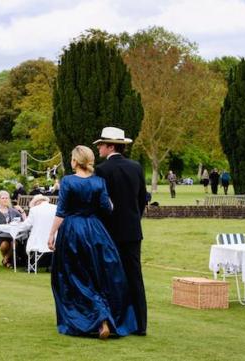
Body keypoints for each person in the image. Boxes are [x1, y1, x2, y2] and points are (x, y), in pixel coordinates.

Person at [48, 145, 137, 339]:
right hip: (96, 231)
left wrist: (51, 234)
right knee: (98, 275)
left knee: (73, 277)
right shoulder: (98, 182)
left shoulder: (68, 181)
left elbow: (61, 211)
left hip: (72, 231)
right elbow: (108, 208)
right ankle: (104, 316)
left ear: (74, 161)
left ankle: (95, 317)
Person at [93, 126, 148, 336]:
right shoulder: (136, 167)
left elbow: (101, 203)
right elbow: (142, 198)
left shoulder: (102, 170)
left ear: (111, 146)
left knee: (111, 277)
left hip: (109, 232)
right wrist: (133, 218)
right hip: (133, 230)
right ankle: (141, 325)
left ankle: (117, 322)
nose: (99, 149)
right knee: (135, 276)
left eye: (101, 145)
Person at [0, 190, 26, 268]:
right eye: (3, 198)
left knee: (14, 243)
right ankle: (7, 260)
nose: (5, 200)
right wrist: (4, 226)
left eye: (6, 198)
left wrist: (21, 210)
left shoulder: (12, 210)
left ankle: (5, 259)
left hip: (10, 235)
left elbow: (23, 220)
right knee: (4, 245)